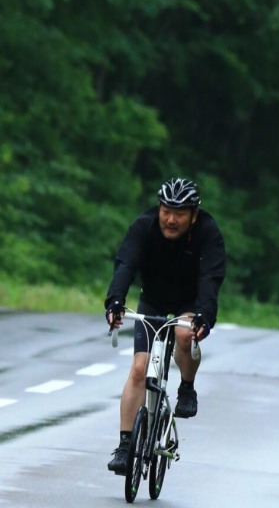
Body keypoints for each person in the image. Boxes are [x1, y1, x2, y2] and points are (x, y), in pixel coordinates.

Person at [104, 177, 226, 475]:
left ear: (193, 215)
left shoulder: (208, 233)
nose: (171, 219)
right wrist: (115, 302)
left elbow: (210, 279)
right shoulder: (144, 226)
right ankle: (124, 446)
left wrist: (205, 317)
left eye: (180, 213)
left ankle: (187, 387)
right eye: (166, 211)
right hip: (153, 301)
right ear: (158, 208)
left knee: (184, 335)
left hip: (189, 304)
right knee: (138, 368)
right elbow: (126, 265)